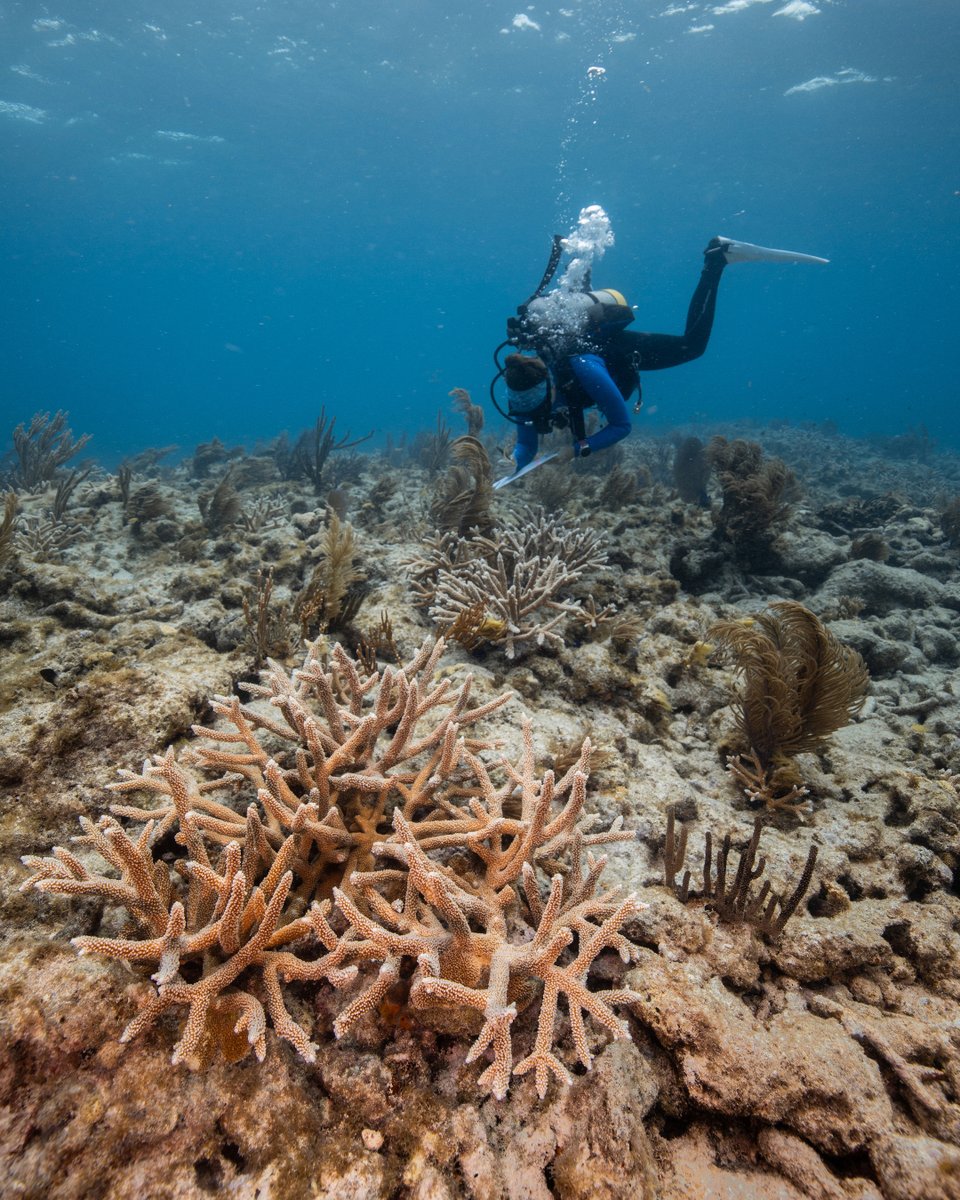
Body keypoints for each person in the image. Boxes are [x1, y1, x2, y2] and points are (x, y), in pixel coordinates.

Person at [499, 235, 823, 475]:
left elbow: (621, 425)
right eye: (526, 407)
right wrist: (516, 460)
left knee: (692, 347)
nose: (532, 413)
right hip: (584, 344)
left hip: (619, 352)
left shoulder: (585, 368)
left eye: (537, 405)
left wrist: (579, 448)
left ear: (549, 387)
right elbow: (527, 440)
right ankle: (583, 269)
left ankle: (716, 259)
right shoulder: (524, 391)